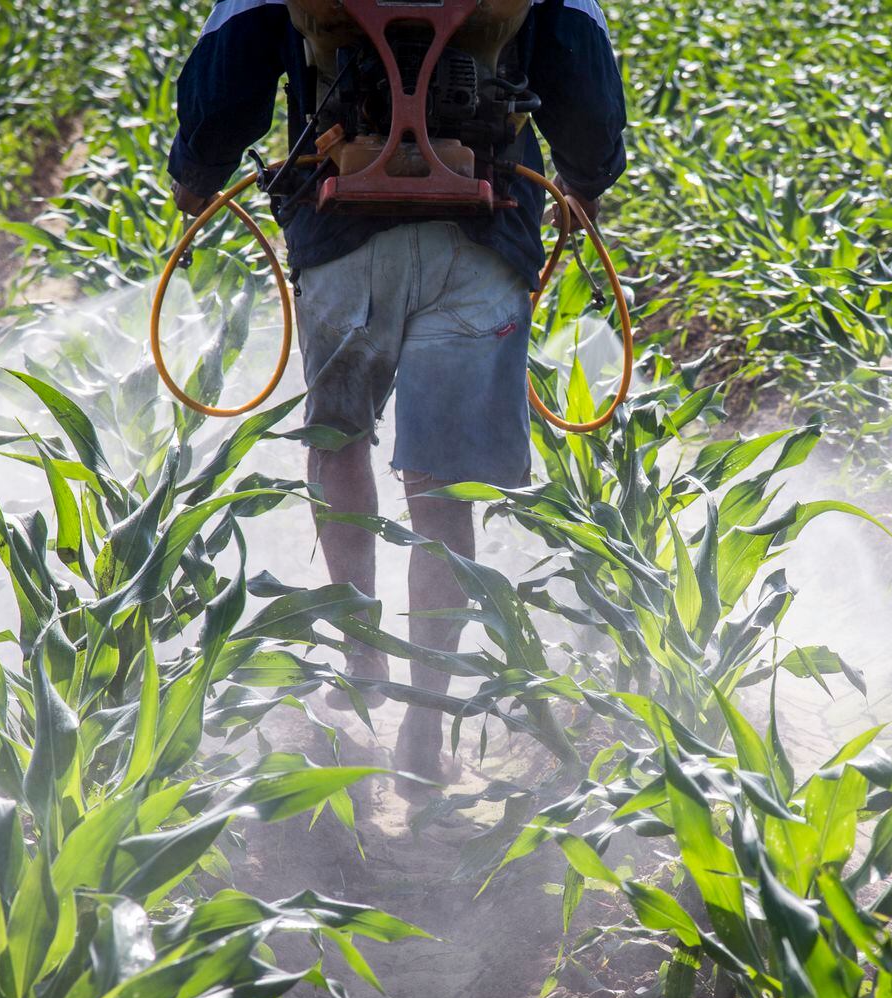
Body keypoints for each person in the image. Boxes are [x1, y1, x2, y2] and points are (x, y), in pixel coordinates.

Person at [167, 0, 627, 794]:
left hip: (343, 234)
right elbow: (588, 94)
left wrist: (195, 177)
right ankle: (424, 722)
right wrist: (584, 182)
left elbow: (223, 85)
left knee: (339, 440)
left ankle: (361, 650)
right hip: (482, 239)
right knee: (445, 489)